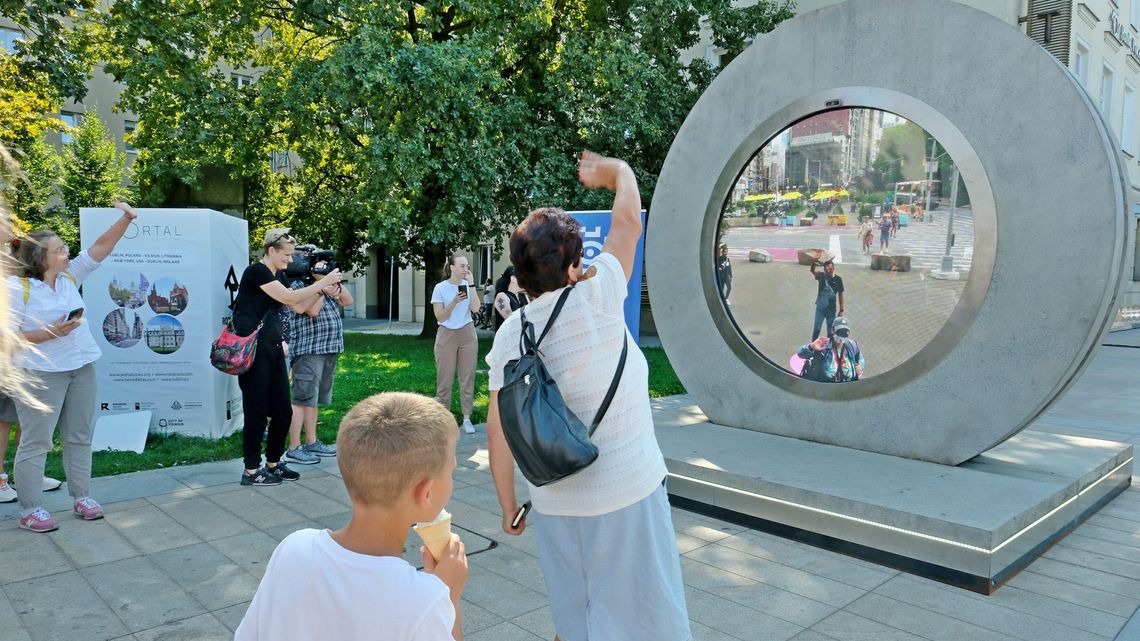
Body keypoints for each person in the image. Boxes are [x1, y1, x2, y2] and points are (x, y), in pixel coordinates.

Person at [485, 151, 690, 641]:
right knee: (647, 620)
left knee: (578, 619)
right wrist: (619, 172)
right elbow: (628, 224)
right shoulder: (601, 296)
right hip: (629, 491)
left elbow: (500, 429)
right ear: (576, 266)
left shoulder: (510, 335)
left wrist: (508, 504)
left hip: (554, 500)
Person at [235, 392, 469, 641]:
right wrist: (448, 597)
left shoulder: (293, 548)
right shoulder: (422, 601)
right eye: (450, 471)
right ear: (425, 492)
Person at [7, 203, 138, 532]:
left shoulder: (69, 276)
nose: (66, 252)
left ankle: (82, 497)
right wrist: (48, 333)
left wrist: (126, 218)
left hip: (81, 366)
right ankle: (30, 509)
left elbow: (102, 246)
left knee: (79, 436)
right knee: (36, 441)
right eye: (59, 249)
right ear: (41, 258)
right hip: (39, 373)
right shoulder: (15, 288)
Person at [233, 228, 342, 486]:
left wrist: (321, 291)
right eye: (287, 255)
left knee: (283, 410)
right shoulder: (257, 272)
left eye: (292, 255)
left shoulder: (278, 274)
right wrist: (322, 282)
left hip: (272, 347)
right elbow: (289, 297)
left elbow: (298, 306)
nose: (291, 260)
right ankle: (251, 470)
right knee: (256, 411)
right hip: (254, 348)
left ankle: (273, 463)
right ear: (271, 250)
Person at [283, 253, 353, 465]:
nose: (323, 268)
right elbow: (312, 311)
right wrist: (321, 287)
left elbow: (347, 301)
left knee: (312, 400)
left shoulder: (324, 284)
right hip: (308, 351)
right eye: (319, 265)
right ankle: (294, 447)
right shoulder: (297, 286)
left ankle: (311, 442)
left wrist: (333, 281)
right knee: (301, 399)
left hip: (328, 349)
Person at [431, 254, 480, 435]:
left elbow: (475, 308)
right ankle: (444, 421)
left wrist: (472, 285)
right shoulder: (440, 288)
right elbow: (440, 316)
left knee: (467, 377)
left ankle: (467, 418)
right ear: (452, 267)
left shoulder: (467, 285)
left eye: (467, 266)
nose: (466, 269)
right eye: (462, 266)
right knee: (444, 379)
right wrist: (454, 301)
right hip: (446, 334)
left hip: (467, 333)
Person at [797, 316, 864, 382]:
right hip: (827, 387)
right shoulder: (823, 345)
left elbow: (860, 359)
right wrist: (811, 346)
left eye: (845, 332)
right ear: (833, 330)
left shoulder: (852, 346)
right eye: (839, 331)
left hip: (847, 387)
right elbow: (800, 353)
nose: (842, 335)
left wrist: (860, 368)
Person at [809, 259, 844, 341]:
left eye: (830, 269)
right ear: (824, 270)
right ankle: (813, 346)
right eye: (826, 269)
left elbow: (841, 294)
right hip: (820, 308)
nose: (828, 271)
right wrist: (813, 263)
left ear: (834, 268)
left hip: (831, 310)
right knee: (816, 329)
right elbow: (812, 271)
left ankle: (829, 347)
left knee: (830, 332)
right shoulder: (821, 276)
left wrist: (841, 310)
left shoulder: (838, 279)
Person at [491, 266, 527, 331]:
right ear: (513, 278)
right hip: (506, 336)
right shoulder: (501, 296)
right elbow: (511, 319)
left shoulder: (523, 296)